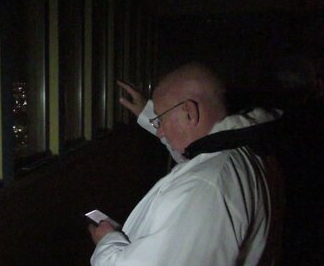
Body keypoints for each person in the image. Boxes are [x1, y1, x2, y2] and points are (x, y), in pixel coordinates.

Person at [88, 62, 282, 265]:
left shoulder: (204, 187)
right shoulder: (242, 149)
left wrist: (108, 242)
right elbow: (195, 157)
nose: (160, 131)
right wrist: (150, 117)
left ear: (189, 112)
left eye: (160, 120)